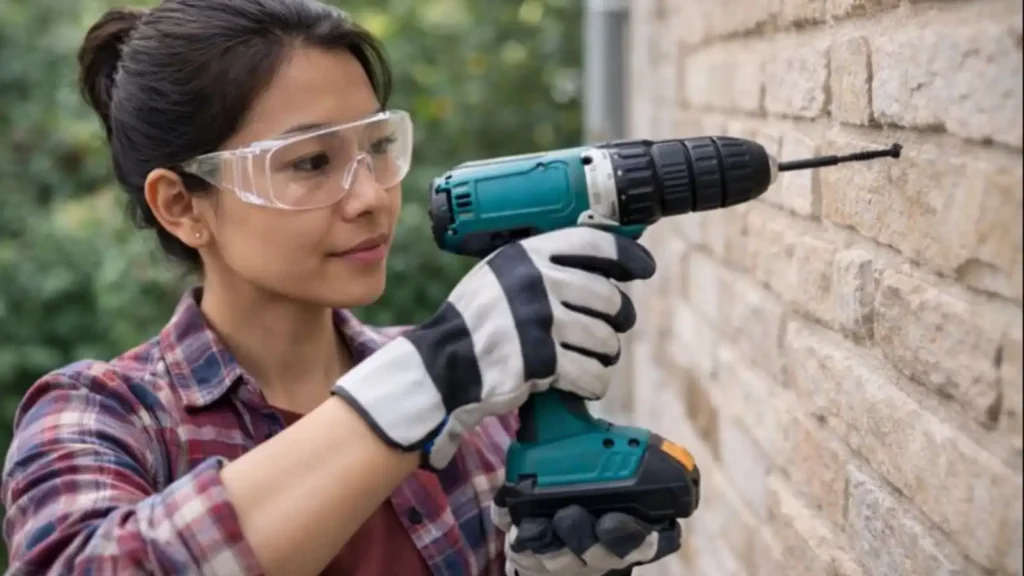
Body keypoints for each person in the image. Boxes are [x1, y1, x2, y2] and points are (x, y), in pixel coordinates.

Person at [0, 1, 683, 575]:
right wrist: (429, 380)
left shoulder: (479, 412)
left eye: (377, 148)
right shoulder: (103, 418)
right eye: (310, 162)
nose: (370, 198)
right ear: (181, 205)